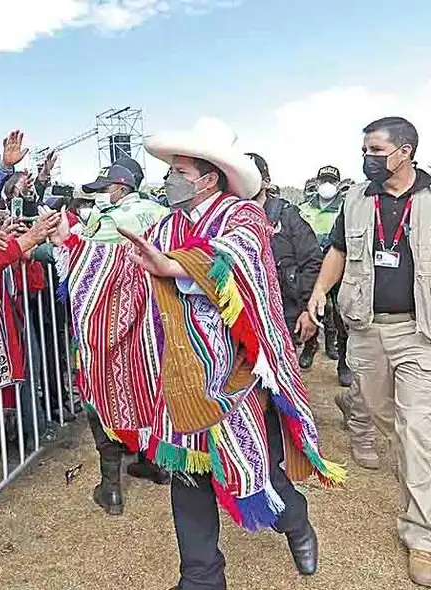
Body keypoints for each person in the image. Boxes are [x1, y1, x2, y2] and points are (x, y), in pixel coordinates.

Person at [82, 118, 342, 589]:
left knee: (259, 470)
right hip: (180, 375)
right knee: (188, 476)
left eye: (178, 170)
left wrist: (177, 264)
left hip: (236, 373)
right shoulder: (166, 224)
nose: (168, 179)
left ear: (207, 177)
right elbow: (130, 263)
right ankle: (201, 577)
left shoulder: (242, 217)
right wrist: (74, 250)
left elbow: (233, 257)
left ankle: (296, 523)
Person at [307, 116, 431, 588]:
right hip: (367, 332)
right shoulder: (357, 198)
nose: (368, 158)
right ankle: (376, 425)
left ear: (405, 151)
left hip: (423, 334)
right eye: (365, 149)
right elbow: (338, 249)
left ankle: (423, 535)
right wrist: (321, 289)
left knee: (420, 433)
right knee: (392, 422)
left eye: (376, 150)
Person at [51, 156, 173, 517]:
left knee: (100, 386)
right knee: (149, 383)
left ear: (119, 187)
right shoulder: (162, 213)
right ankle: (155, 461)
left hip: (109, 321)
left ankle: (112, 487)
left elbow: (79, 257)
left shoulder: (109, 220)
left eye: (102, 189)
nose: (99, 197)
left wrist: (57, 240)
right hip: (154, 322)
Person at [245, 153, 322, 344]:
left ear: (266, 182)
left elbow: (312, 261)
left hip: (284, 314)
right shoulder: (225, 218)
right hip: (242, 316)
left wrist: (307, 310)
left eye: (248, 175)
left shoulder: (287, 217)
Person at [296, 165, 351, 383]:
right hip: (310, 267)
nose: (327, 185)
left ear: (338, 185)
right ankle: (310, 347)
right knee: (311, 310)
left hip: (338, 268)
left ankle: (343, 361)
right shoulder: (303, 209)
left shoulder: (346, 208)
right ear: (317, 183)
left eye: (331, 181)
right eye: (323, 180)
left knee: (340, 314)